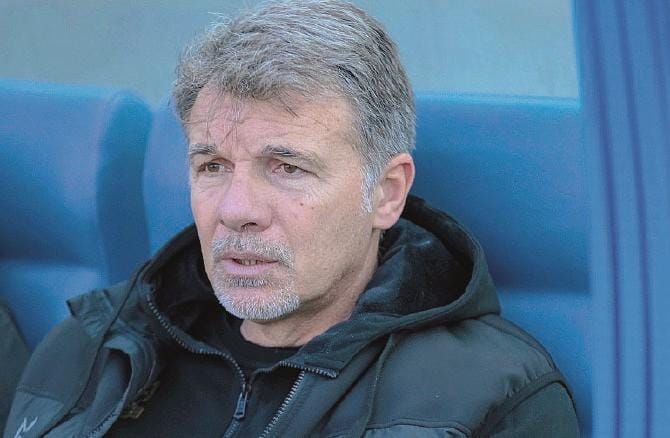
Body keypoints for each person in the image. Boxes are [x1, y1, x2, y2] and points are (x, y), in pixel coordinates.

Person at [5, 0, 579, 436]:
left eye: (287, 168)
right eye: (212, 166)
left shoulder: (489, 398)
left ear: (386, 193)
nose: (237, 211)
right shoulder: (95, 344)